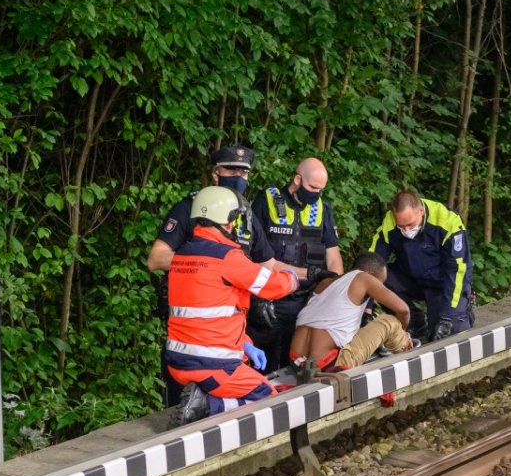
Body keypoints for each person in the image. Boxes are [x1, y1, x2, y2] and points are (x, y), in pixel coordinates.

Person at [165, 186, 300, 424]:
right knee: (268, 396)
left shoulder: (181, 257)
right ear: (226, 222)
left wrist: (245, 344)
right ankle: (207, 405)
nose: (233, 227)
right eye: (232, 221)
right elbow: (271, 285)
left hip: (177, 363)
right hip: (214, 366)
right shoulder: (227, 257)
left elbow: (208, 312)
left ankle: (200, 398)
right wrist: (292, 279)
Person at [247, 157, 344, 372]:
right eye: (312, 187)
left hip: (307, 303)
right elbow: (250, 254)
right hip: (269, 301)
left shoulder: (322, 209)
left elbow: (334, 258)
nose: (316, 193)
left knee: (298, 368)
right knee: (261, 367)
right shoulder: (267, 201)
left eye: (321, 189)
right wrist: (254, 298)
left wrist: (331, 294)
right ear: (297, 179)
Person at [368, 191, 474, 343]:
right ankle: (414, 322)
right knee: (380, 276)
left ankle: (462, 312)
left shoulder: (447, 222)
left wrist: (446, 316)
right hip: (412, 278)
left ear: (421, 211)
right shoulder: (390, 223)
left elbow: (457, 272)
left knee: (447, 331)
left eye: (410, 224)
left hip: (442, 284)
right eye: (401, 226)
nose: (406, 230)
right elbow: (371, 265)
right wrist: (367, 308)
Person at [289, 252, 415, 372]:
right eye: (379, 283)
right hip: (327, 365)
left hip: (296, 363)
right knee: (390, 321)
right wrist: (401, 331)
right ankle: (406, 347)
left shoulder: (326, 282)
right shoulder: (364, 278)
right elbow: (403, 310)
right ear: (370, 274)